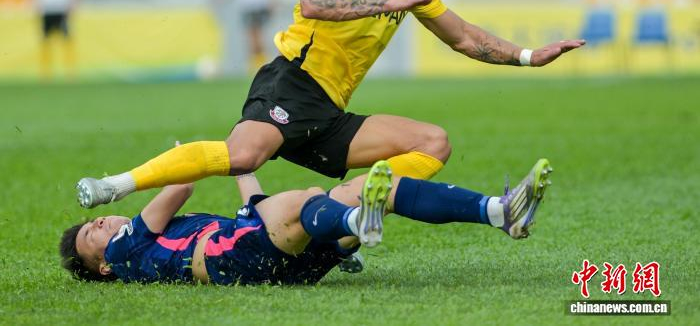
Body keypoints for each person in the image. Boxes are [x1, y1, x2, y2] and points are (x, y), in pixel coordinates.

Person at [75, 0, 583, 209]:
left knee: (433, 143)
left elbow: (465, 37)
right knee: (245, 157)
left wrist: (527, 57)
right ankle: (115, 185)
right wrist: (389, 3)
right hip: (292, 83)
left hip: (330, 112)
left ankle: (351, 210)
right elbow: (316, 1)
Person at [62, 158, 553, 285]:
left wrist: (241, 162)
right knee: (307, 200)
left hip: (270, 261)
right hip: (235, 262)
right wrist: (181, 159)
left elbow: (252, 210)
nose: (101, 223)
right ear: (102, 265)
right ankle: (355, 222)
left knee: (367, 186)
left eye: (96, 221)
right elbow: (181, 185)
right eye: (92, 233)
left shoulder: (166, 240)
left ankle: (500, 212)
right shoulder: (126, 251)